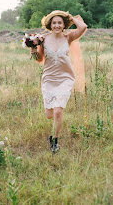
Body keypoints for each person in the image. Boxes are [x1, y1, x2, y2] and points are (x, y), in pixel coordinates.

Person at [31, 10, 87, 153]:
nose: (56, 25)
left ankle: (55, 140)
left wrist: (70, 17)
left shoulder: (68, 37)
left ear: (63, 25)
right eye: (54, 23)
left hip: (65, 78)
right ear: (50, 24)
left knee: (57, 112)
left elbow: (83, 27)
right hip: (49, 78)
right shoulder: (43, 39)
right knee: (49, 114)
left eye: (59, 23)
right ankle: (53, 134)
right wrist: (33, 50)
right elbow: (39, 59)